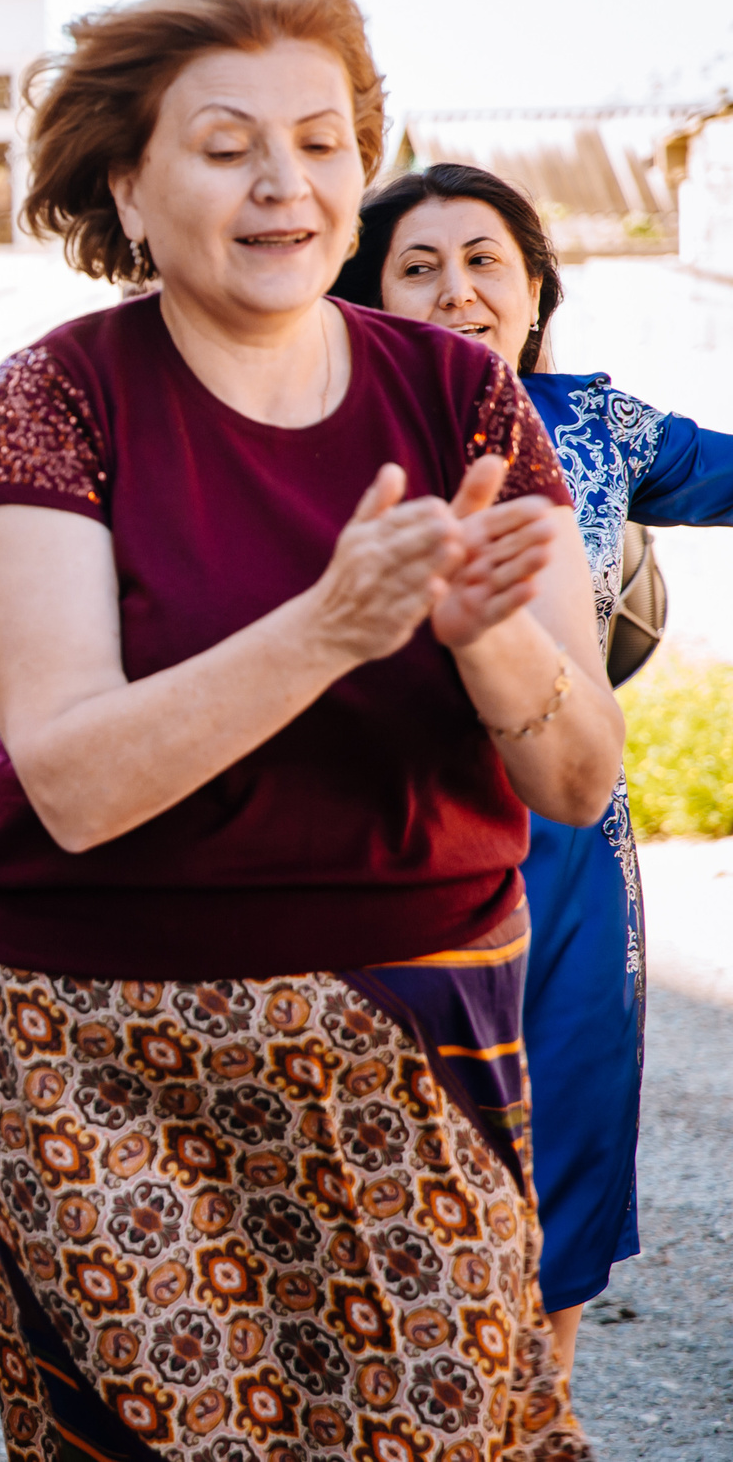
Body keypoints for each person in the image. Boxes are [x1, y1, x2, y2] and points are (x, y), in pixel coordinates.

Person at [0, 0, 615, 1461]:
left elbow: (576, 776)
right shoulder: (53, 398)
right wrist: (330, 625)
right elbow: (71, 776)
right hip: (98, 1042)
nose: (284, 185)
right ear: (128, 189)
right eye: (227, 142)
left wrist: (486, 643)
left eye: (321, 143)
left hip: (417, 1015)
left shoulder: (463, 398)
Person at [334, 160, 733, 1369]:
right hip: (383, 850)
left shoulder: (600, 427)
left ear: (534, 287)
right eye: (417, 266)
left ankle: (538, 1414)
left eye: (482, 261)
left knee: (554, 1162)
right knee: (388, 1185)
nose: (455, 290)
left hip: (567, 859)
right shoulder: (328, 432)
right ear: (368, 294)